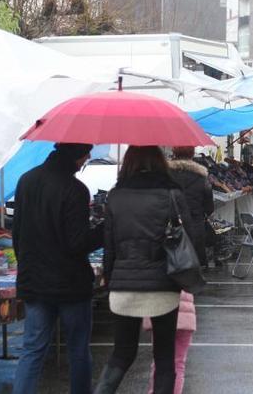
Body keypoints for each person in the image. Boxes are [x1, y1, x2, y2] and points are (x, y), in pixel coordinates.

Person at [95, 146, 196, 394]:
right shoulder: (172, 194)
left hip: (123, 286)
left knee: (121, 354)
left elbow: (109, 248)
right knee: (164, 359)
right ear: (161, 162)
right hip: (163, 286)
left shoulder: (115, 196)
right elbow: (191, 238)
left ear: (128, 163)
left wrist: (111, 281)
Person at [12, 143, 102, 394]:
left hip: (34, 281)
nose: (86, 161)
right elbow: (77, 243)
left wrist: (27, 267)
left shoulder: (26, 181)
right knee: (78, 350)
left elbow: (17, 234)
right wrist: (103, 232)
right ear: (76, 156)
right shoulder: (75, 190)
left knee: (32, 350)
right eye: (86, 156)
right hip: (70, 285)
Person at [168, 147, 214, 267]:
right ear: (192, 154)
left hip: (171, 222)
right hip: (195, 221)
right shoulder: (200, 176)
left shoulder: (166, 175)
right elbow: (209, 205)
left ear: (174, 153)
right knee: (196, 260)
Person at [143, 291, 196, 394]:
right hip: (186, 318)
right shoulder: (184, 275)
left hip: (161, 315)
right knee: (179, 363)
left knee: (159, 361)